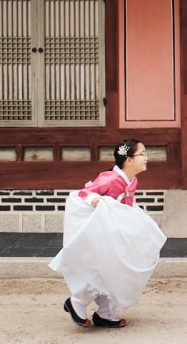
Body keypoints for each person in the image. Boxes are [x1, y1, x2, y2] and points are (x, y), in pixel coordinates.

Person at [50, 139, 165, 329]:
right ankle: (77, 303)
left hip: (115, 232)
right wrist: (96, 199)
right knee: (100, 269)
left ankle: (106, 313)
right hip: (100, 233)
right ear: (128, 160)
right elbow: (84, 194)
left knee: (118, 269)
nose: (147, 158)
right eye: (142, 154)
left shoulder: (132, 180)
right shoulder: (110, 179)